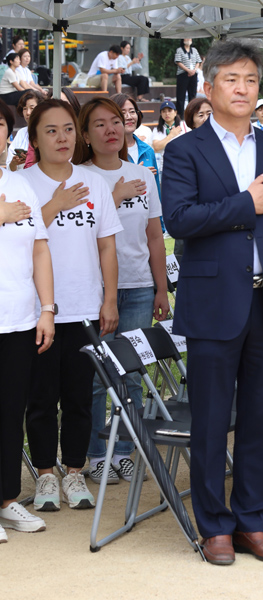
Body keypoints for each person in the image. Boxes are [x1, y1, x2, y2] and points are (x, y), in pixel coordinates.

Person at [161, 39, 263, 566]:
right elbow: (179, 221)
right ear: (209, 87)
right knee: (208, 420)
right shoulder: (184, 150)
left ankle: (253, 522)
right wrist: (244, 205)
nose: (243, 88)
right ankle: (214, 527)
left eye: (250, 79)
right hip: (212, 302)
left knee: (262, 415)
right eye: (232, 79)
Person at [21, 99, 123, 513]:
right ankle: (46, 475)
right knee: (42, 398)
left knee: (81, 397)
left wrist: (110, 299)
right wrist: (55, 205)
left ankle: (75, 471)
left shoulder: (94, 182)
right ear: (34, 139)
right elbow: (19, 238)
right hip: (39, 311)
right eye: (50, 130)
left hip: (85, 307)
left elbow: (107, 246)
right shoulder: (20, 182)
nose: (61, 138)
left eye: (67, 129)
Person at [76, 98, 169, 484]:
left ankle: (125, 451)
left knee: (132, 373)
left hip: (140, 287)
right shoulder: (78, 176)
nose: (110, 129)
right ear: (85, 134)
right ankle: (97, 454)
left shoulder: (142, 175)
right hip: (94, 291)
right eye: (99, 124)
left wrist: (161, 289)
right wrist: (113, 197)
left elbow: (154, 237)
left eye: (115, 121)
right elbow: (79, 235)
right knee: (98, 377)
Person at [0, 100, 54, 539]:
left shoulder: (20, 185)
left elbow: (40, 248)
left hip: (18, 317)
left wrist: (47, 309)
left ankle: (7, 499)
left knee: (10, 411)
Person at [110, 93, 160, 193]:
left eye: (132, 112)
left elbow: (156, 191)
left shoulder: (147, 150)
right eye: (122, 112)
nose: (129, 117)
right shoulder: (107, 152)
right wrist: (136, 175)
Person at [6, 90, 41, 171]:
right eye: (25, 109)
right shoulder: (21, 133)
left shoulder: (48, 133)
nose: (28, 113)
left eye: (32, 108)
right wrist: (14, 163)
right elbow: (9, 168)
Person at [151, 100, 187, 172]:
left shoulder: (184, 126)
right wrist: (171, 135)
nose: (167, 113)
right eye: (164, 111)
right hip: (165, 167)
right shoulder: (157, 130)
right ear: (161, 114)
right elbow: (156, 147)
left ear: (175, 112)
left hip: (183, 165)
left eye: (170, 110)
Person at [173, 39, 201, 119]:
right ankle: (180, 116)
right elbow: (178, 62)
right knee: (181, 96)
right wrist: (188, 70)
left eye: (190, 38)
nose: (188, 40)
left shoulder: (194, 50)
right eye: (186, 38)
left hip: (193, 74)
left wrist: (194, 70)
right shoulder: (179, 50)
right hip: (183, 74)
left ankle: (192, 114)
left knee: (192, 95)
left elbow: (198, 61)